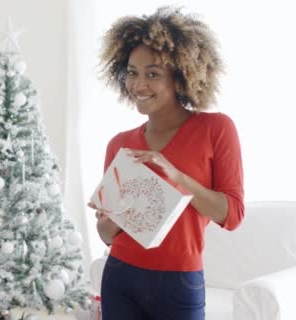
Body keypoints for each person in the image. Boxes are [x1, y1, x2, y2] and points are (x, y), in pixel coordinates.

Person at [91, 6, 244, 320]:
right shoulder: (119, 144)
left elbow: (232, 215)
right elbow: (106, 235)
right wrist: (116, 215)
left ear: (180, 77)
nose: (138, 84)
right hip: (120, 275)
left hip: (178, 281)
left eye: (153, 74)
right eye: (132, 72)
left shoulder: (215, 129)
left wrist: (177, 177)